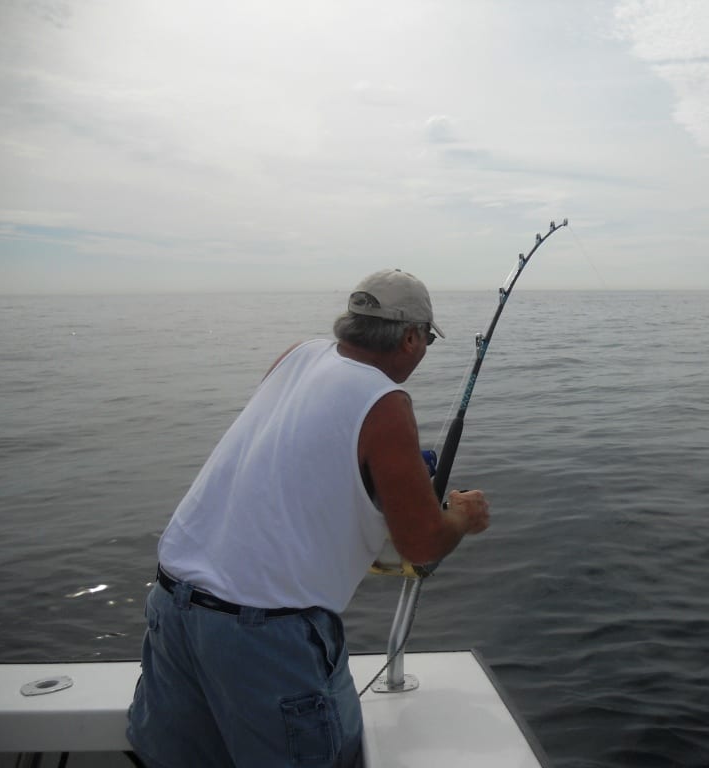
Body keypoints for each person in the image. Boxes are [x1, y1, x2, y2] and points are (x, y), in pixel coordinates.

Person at [127, 268, 491, 768]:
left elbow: (297, 451)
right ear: (409, 338)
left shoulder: (298, 355)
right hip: (262, 636)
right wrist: (461, 516)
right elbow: (422, 543)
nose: (425, 348)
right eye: (427, 338)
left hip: (173, 608)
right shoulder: (387, 403)